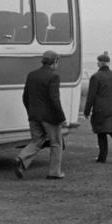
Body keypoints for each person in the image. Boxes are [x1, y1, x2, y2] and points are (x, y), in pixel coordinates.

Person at [14, 49, 67, 179]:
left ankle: (21, 158)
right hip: (50, 117)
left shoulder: (32, 75)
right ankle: (54, 172)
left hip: (34, 115)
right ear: (54, 62)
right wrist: (61, 118)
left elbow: (25, 97)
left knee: (37, 140)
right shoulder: (54, 76)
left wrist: (30, 111)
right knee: (56, 143)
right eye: (57, 61)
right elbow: (54, 99)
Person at [83, 51, 112, 163]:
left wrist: (87, 111)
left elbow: (91, 96)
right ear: (108, 63)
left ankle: (102, 157)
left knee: (101, 133)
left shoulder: (95, 77)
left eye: (98, 62)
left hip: (100, 109)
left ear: (100, 63)